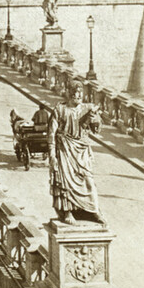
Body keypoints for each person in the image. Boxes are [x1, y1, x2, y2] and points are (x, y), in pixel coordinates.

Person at [47, 81, 105, 225]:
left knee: (89, 182)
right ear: (69, 93)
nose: (78, 96)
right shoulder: (60, 110)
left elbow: (96, 129)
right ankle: (67, 213)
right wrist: (52, 156)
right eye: (75, 93)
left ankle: (94, 210)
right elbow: (51, 134)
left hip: (81, 151)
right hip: (65, 150)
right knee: (65, 183)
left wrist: (95, 119)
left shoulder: (87, 109)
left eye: (80, 93)